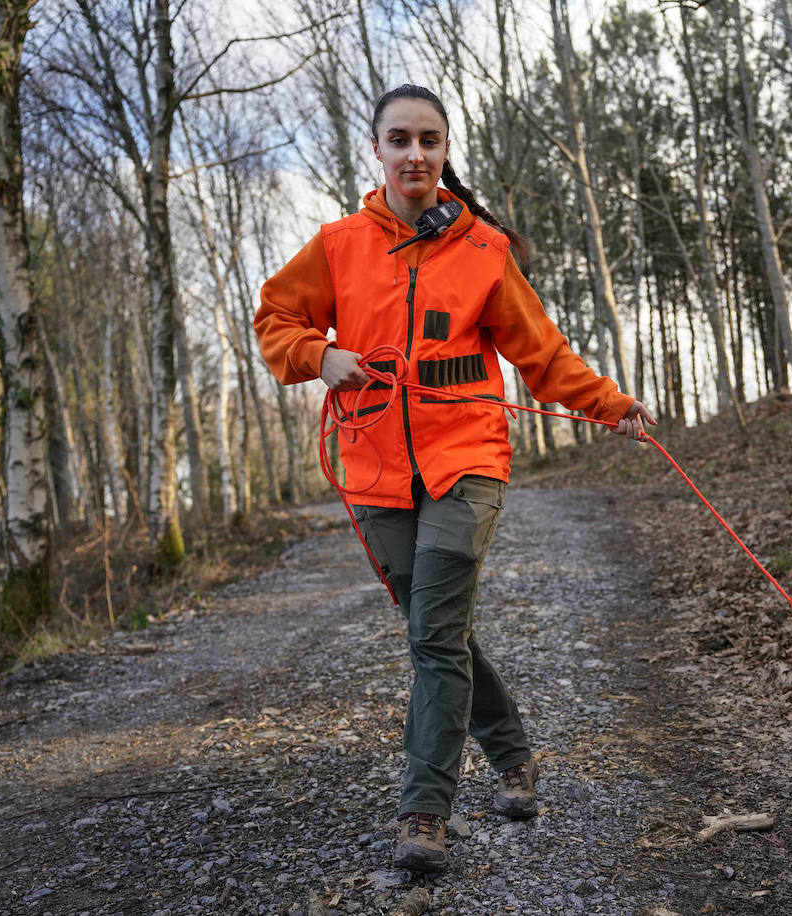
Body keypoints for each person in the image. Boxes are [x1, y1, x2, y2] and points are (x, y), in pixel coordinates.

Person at [254, 83, 656, 874]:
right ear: (377, 150)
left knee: (435, 637)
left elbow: (542, 352)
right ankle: (513, 757)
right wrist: (321, 357)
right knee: (441, 633)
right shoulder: (337, 244)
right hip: (373, 467)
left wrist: (611, 405)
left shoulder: (483, 251)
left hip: (465, 461)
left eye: (429, 140)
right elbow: (276, 317)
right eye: (399, 139)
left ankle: (423, 812)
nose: (415, 154)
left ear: (445, 151)